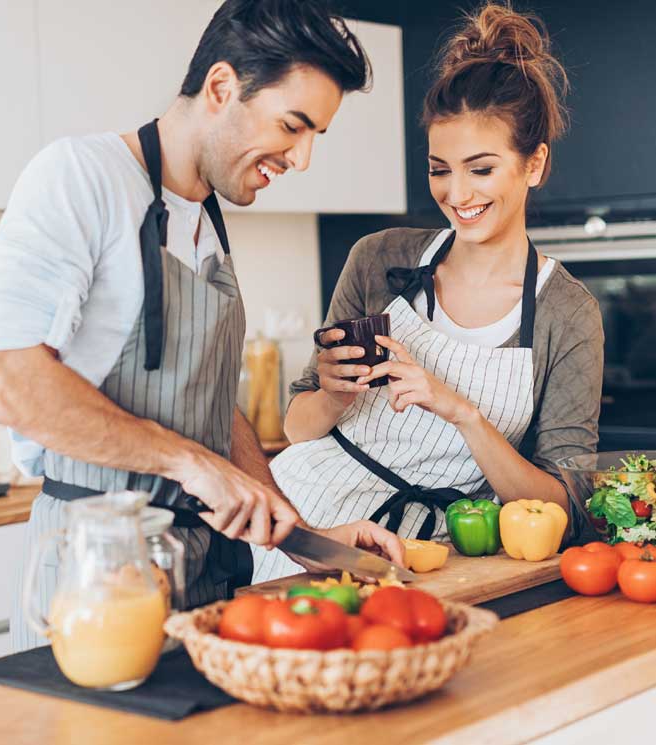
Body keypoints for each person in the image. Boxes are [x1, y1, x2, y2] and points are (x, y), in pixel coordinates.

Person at [0, 0, 405, 652]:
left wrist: (302, 535)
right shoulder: (81, 177)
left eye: (316, 134)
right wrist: (190, 463)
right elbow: (2, 381)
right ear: (222, 88)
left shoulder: (205, 220)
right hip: (99, 576)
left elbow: (207, 406)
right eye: (292, 125)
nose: (301, 157)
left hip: (204, 573)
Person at [253, 1, 604, 583]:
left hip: (432, 550)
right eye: (440, 168)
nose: (456, 191)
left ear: (534, 164)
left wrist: (461, 412)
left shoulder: (567, 313)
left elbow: (565, 510)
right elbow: (296, 427)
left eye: (481, 168)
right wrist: (336, 395)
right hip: (302, 522)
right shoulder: (379, 259)